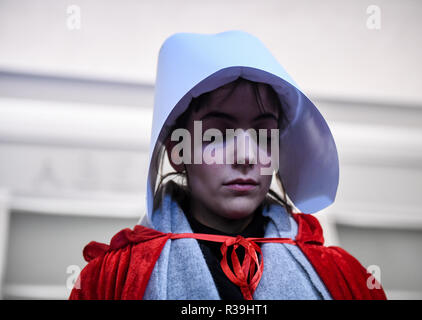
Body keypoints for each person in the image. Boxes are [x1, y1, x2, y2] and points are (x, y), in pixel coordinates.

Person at [69, 30, 386, 300]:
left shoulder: (344, 278)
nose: (246, 157)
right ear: (177, 152)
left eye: (263, 135)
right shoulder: (113, 280)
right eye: (218, 135)